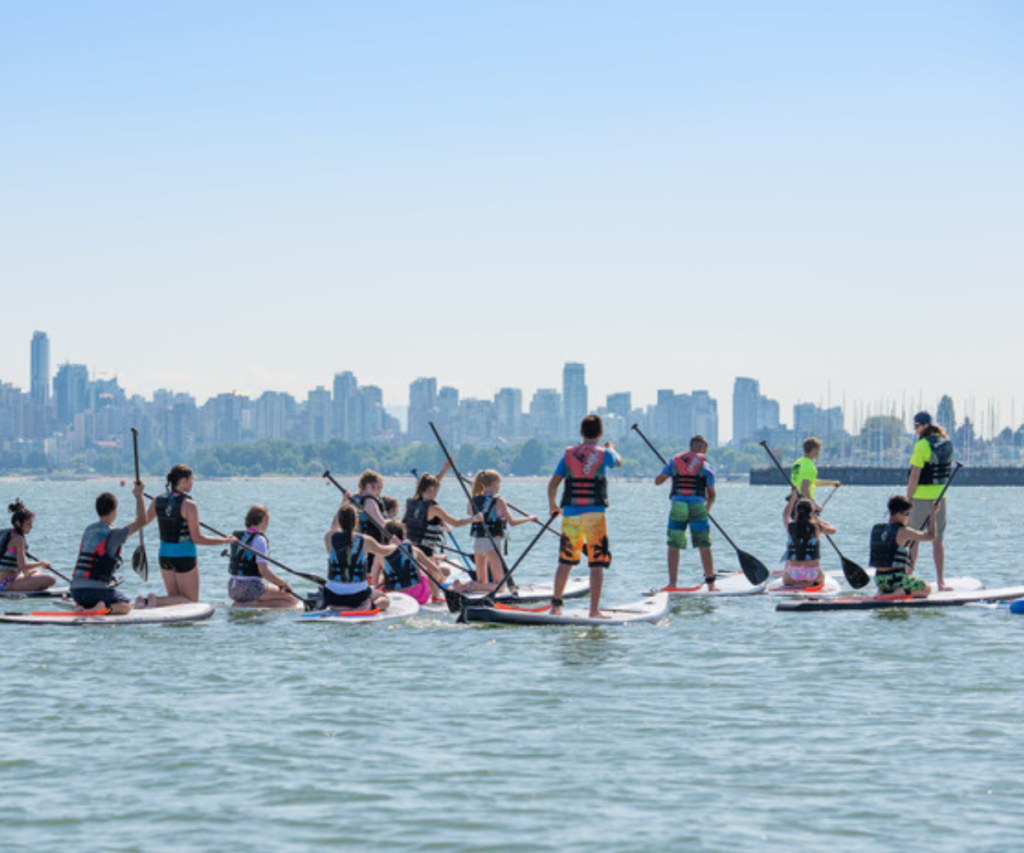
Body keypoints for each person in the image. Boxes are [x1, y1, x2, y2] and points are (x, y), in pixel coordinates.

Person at [548, 415, 620, 618]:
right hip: (595, 513)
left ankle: (556, 607)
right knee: (596, 563)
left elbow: (553, 484)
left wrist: (552, 505)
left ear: (581, 433)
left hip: (571, 513)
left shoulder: (569, 454)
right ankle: (594, 611)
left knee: (565, 561)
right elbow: (618, 462)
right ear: (600, 434)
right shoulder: (604, 453)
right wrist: (612, 448)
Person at [147, 464, 233, 605]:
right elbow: (197, 538)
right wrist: (225, 540)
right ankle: (152, 600)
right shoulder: (189, 505)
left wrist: (138, 497)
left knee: (175, 601)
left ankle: (151, 602)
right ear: (183, 480)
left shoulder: (157, 501)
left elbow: (143, 520)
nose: (193, 483)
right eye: (191, 479)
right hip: (184, 556)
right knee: (191, 603)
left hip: (164, 557)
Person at [71, 483, 154, 614]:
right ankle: (103, 608)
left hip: (75, 591)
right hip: (96, 591)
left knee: (93, 595)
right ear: (115, 511)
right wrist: (139, 496)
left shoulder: (88, 530)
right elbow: (142, 521)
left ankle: (82, 607)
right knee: (126, 604)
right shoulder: (115, 534)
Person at [453, 470, 535, 593]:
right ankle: (469, 586)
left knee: (482, 582)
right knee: (499, 586)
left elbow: (470, 513)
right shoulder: (499, 501)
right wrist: (529, 519)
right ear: (495, 484)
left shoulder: (474, 500)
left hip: (478, 544)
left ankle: (464, 585)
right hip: (492, 544)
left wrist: (478, 494)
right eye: (499, 484)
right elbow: (512, 522)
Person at [654, 435, 717, 591]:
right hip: (697, 506)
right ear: (702, 450)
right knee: (704, 544)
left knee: (674, 544)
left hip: (678, 505)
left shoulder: (674, 461)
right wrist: (706, 510)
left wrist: (673, 473)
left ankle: (672, 583)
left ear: (691, 447)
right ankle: (711, 584)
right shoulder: (705, 466)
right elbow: (712, 495)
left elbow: (658, 481)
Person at [403, 469, 479, 599]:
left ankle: (432, 594)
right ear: (432, 489)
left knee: (432, 570)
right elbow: (456, 522)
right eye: (437, 491)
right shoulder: (433, 507)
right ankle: (435, 597)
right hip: (425, 549)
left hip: (410, 547)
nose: (437, 495)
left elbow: (408, 522)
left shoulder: (411, 503)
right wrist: (474, 519)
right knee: (432, 570)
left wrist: (443, 525)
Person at [907, 411, 953, 590]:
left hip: (920, 497)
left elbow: (914, 476)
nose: (916, 430)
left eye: (917, 426)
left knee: (913, 538)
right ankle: (941, 582)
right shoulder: (947, 443)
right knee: (938, 540)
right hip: (940, 497)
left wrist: (907, 499)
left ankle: (908, 578)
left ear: (925, 426)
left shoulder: (922, 445)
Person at [322, 504, 396, 611]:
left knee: (336, 595)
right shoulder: (366, 540)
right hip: (358, 595)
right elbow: (385, 551)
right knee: (384, 599)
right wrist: (395, 545)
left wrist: (343, 503)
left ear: (339, 519)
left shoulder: (329, 537)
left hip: (332, 596)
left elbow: (334, 526)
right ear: (356, 521)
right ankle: (369, 606)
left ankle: (339, 607)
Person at [227, 505, 299, 609]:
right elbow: (263, 571)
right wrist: (283, 584)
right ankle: (251, 605)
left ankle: (247, 602)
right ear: (264, 520)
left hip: (232, 588)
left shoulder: (237, 536)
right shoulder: (259, 540)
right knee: (292, 600)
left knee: (268, 591)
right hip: (250, 587)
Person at [869, 495, 937, 598]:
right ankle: (896, 594)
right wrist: (933, 514)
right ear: (898, 514)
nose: (909, 518)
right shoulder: (904, 531)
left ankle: (881, 592)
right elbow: (931, 536)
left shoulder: (877, 528)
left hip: (879, 580)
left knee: (896, 579)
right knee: (927, 589)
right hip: (896, 581)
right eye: (907, 514)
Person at [371, 520, 440, 605]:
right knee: (425, 572)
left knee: (384, 578)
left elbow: (374, 582)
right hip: (419, 596)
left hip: (394, 596)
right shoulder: (414, 549)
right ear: (403, 534)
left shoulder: (379, 554)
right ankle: (436, 597)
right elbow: (435, 569)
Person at [0, 500, 57, 593]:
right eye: (28, 524)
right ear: (18, 523)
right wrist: (41, 563)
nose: (31, 527)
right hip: (6, 583)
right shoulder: (18, 539)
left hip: (5, 578)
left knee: (35, 571)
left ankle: (29, 583)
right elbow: (22, 566)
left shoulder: (6, 533)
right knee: (50, 579)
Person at [779, 493, 835, 588]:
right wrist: (818, 519)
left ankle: (795, 582)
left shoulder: (790, 526)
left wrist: (792, 499)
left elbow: (785, 515)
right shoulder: (817, 526)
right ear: (811, 512)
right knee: (821, 578)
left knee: (786, 578)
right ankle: (812, 582)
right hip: (813, 574)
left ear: (797, 511)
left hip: (793, 574)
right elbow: (832, 530)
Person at [790, 437, 841, 508]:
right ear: (814, 450)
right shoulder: (810, 467)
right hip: (804, 505)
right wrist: (815, 505)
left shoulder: (797, 463)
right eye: (819, 451)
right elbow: (804, 489)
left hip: (793, 503)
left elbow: (810, 482)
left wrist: (831, 483)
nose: (819, 454)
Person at [352, 470, 388, 544]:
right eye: (378, 488)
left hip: (358, 540)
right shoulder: (370, 503)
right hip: (372, 543)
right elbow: (382, 524)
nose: (380, 492)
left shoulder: (356, 499)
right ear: (368, 486)